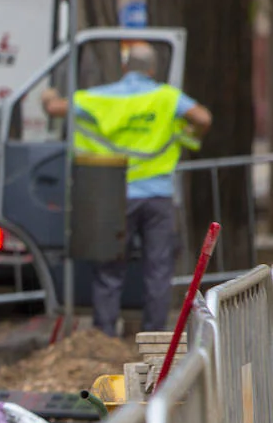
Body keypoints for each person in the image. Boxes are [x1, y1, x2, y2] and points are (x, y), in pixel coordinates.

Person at [41, 42, 212, 336]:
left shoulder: (101, 98)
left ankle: (104, 335)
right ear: (152, 69)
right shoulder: (167, 97)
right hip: (158, 196)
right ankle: (154, 336)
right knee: (157, 270)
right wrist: (188, 135)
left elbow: (55, 108)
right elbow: (203, 118)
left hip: (115, 196)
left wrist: (48, 95)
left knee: (109, 268)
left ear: (124, 68)